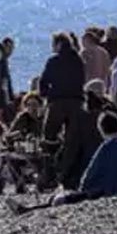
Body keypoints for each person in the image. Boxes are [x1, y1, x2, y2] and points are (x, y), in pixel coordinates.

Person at [8, 112, 117, 214]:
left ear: (101, 129)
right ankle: (32, 207)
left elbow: (92, 171)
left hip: (107, 190)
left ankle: (30, 209)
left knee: (64, 199)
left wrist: (82, 188)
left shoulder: (106, 147)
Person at [39, 32, 86, 179]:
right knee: (72, 138)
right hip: (76, 102)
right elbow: (82, 80)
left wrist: (45, 94)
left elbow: (44, 81)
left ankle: (49, 171)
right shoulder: (78, 60)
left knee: (49, 136)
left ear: (58, 44)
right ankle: (68, 170)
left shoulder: (54, 60)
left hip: (57, 102)